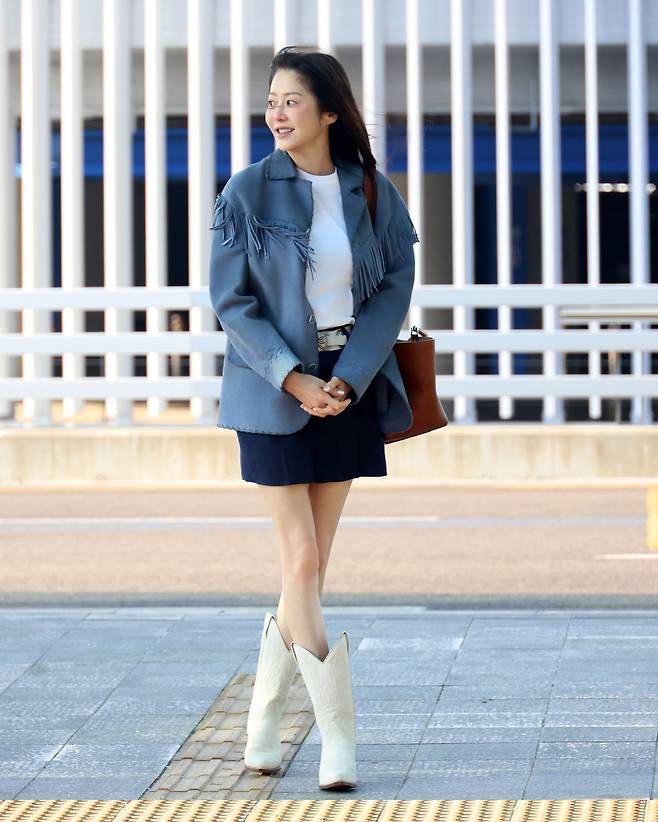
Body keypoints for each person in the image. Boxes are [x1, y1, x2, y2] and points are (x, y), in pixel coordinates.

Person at [209, 45, 419, 791]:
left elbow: (393, 288)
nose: (276, 112)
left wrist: (349, 378)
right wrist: (292, 378)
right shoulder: (245, 191)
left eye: (291, 100)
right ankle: (337, 740)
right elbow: (231, 301)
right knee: (300, 562)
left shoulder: (371, 192)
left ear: (330, 112)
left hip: (348, 386)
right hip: (272, 389)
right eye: (271, 100)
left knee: (313, 569)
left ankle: (263, 720)